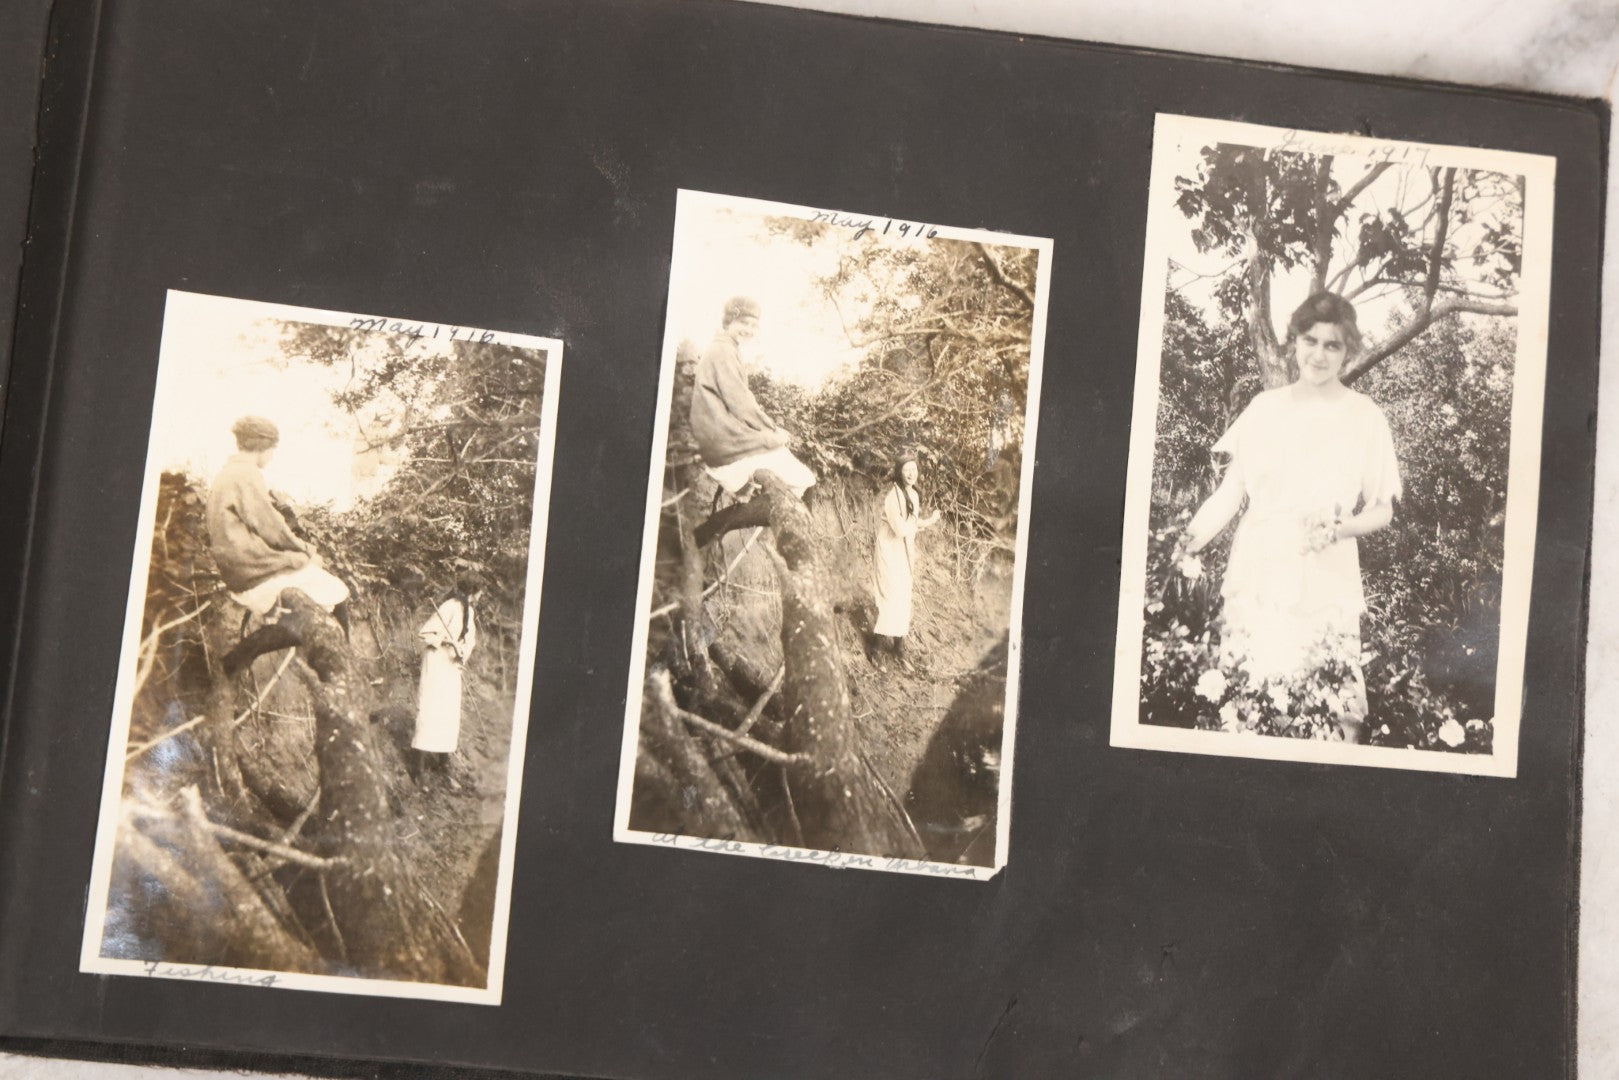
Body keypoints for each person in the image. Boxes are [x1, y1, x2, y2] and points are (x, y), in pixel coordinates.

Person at [1182, 292, 1401, 741]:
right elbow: (1230, 494)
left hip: (1326, 570)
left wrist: (1339, 529)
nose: (1319, 354)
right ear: (1294, 342)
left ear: (1348, 350)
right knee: (1251, 697)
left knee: (1329, 707)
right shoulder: (1264, 408)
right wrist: (1181, 543)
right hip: (1259, 567)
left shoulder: (1366, 418)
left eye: (1332, 345)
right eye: (1310, 340)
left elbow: (1382, 510)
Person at [689, 297, 816, 538]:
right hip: (724, 439)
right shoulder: (722, 351)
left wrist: (770, 433)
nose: (749, 330)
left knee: (795, 481)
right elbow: (741, 404)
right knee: (805, 481)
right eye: (743, 323)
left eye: (753, 325)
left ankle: (711, 529)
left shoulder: (725, 348)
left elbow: (739, 403)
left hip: (720, 437)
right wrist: (774, 433)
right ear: (729, 321)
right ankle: (709, 531)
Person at [207, 416, 350, 621]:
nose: (273, 456)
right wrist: (307, 552)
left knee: (302, 570)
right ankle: (342, 650)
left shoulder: (225, 474)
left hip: (235, 571)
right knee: (337, 592)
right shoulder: (246, 474)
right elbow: (272, 527)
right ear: (263, 446)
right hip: (253, 571)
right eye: (273, 449)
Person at [868, 453, 939, 669]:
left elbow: (913, 524)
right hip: (889, 549)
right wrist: (926, 523)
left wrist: (929, 521)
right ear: (899, 472)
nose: (911, 473)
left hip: (904, 552)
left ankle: (898, 647)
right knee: (889, 596)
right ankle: (876, 648)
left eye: (914, 469)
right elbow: (900, 529)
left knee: (904, 597)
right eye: (907, 469)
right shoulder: (892, 497)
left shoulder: (914, 496)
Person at [410, 573, 483, 777]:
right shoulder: (449, 606)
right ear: (472, 592)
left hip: (451, 667)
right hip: (436, 663)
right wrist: (445, 641)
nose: (479, 598)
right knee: (430, 709)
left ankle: (443, 762)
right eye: (478, 593)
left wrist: (462, 653)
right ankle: (418, 766)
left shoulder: (468, 611)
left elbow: (470, 641)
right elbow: (425, 633)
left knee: (448, 713)